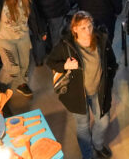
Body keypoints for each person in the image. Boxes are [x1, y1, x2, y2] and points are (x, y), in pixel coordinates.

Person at [46, 11, 118, 159]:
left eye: (89, 26)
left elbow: (112, 63)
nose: (88, 31)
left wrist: (108, 82)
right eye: (83, 27)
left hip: (98, 91)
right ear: (75, 29)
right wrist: (65, 66)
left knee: (103, 120)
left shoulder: (101, 41)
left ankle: (97, 144)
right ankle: (87, 154)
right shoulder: (66, 45)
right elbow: (51, 62)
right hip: (77, 94)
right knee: (83, 126)